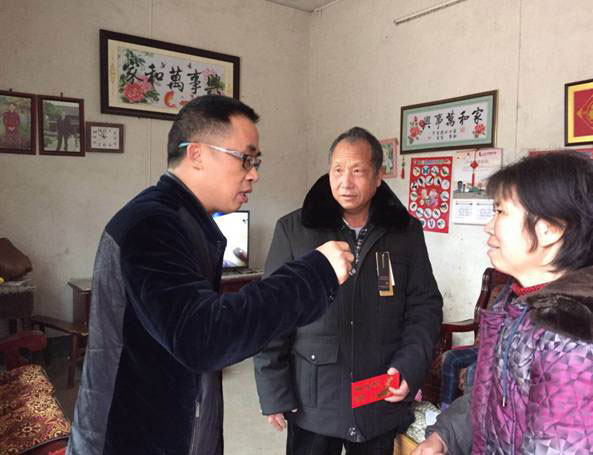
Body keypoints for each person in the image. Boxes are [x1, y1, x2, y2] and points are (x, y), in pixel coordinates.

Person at [67, 95, 355, 455]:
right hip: (130, 438)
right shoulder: (151, 225)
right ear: (197, 154)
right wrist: (314, 275)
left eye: (256, 161)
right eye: (245, 158)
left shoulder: (183, 221)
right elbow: (203, 336)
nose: (254, 173)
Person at [253, 126, 443, 455]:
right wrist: (274, 391)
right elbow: (272, 314)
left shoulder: (405, 232)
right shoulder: (294, 231)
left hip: (379, 395)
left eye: (358, 171)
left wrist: (409, 367)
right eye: (338, 170)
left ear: (378, 176)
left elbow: (424, 307)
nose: (345, 182)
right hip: (313, 399)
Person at [412, 151, 593, 455]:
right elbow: (489, 397)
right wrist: (445, 436)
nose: (488, 226)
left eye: (500, 211)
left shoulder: (573, 335)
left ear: (550, 229)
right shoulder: (515, 301)